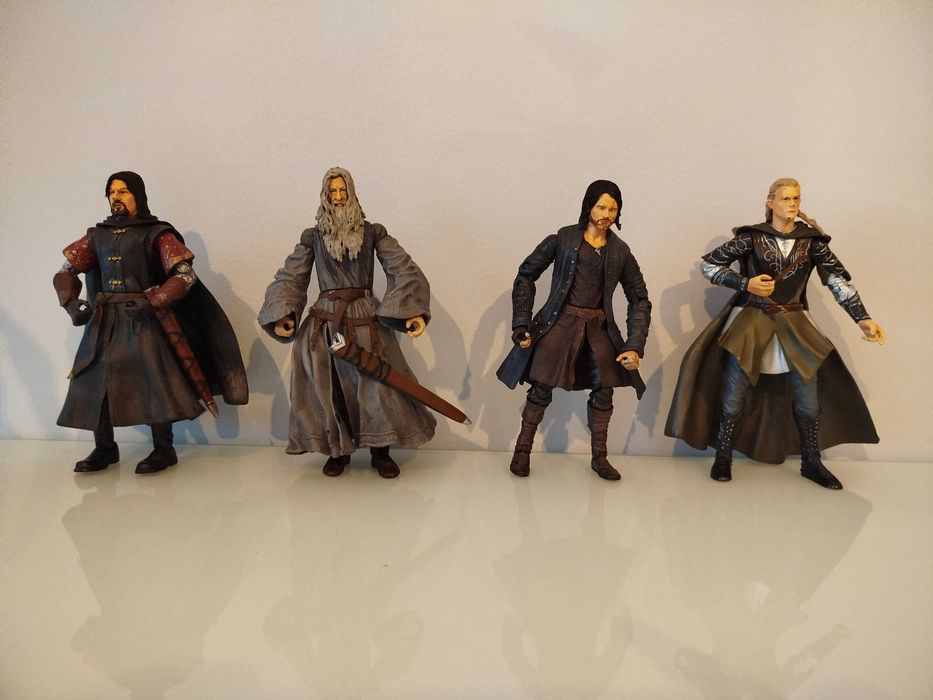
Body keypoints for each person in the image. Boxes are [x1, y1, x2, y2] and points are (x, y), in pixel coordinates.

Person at [665, 178, 886, 489]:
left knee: (808, 399)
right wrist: (745, 284)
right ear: (770, 202)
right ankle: (723, 456)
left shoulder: (811, 242)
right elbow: (709, 266)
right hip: (752, 319)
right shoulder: (752, 237)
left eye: (796, 198)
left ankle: (811, 461)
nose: (791, 204)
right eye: (785, 198)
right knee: (733, 395)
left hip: (795, 322)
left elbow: (837, 280)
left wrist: (862, 318)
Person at [54, 171, 248, 474]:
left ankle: (163, 449)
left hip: (143, 320)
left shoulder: (157, 233)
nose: (116, 197)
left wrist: (159, 298)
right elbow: (66, 271)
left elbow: (185, 274)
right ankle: (104, 448)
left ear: (138, 195)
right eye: (112, 192)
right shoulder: (97, 236)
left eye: (123, 191)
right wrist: (69, 302)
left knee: (155, 383)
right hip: (105, 321)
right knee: (95, 382)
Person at [258, 167, 436, 478]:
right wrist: (283, 313)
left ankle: (381, 452)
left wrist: (411, 311)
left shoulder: (373, 233)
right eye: (333, 192)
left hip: (366, 320)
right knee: (330, 391)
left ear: (352, 193)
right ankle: (337, 451)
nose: (338, 197)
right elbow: (291, 276)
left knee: (378, 387)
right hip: (325, 323)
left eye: (343, 191)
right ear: (325, 196)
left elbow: (402, 266)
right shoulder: (312, 238)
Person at [497, 180, 651, 480]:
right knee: (541, 388)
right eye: (601, 206)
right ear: (589, 206)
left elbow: (640, 299)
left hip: (598, 329)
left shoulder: (620, 252)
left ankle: (600, 457)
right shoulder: (563, 239)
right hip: (559, 323)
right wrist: (521, 323)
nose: (606, 214)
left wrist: (634, 344)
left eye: (613, 209)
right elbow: (526, 275)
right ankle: (522, 451)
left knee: (604, 391)